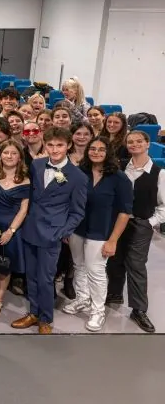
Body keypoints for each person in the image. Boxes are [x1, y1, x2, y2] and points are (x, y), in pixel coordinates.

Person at [12, 127, 88, 335]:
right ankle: (34, 313)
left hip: (52, 234)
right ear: (45, 145)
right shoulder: (36, 165)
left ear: (68, 146)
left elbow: (77, 212)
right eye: (51, 145)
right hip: (31, 229)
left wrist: (62, 231)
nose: (55, 149)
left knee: (46, 278)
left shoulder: (78, 177)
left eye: (60, 145)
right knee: (31, 276)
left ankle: (46, 318)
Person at [64, 136, 132, 332]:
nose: (96, 152)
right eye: (92, 148)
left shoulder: (119, 178)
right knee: (79, 266)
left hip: (101, 233)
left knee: (96, 271)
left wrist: (113, 240)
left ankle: (97, 310)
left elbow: (125, 212)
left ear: (108, 152)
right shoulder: (79, 172)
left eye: (101, 149)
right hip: (78, 229)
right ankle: (82, 299)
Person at [106, 130, 164, 333]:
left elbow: (163, 205)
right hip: (117, 221)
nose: (134, 144)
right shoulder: (120, 166)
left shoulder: (159, 173)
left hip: (141, 223)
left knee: (136, 265)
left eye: (139, 141)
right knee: (115, 259)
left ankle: (138, 309)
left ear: (148, 144)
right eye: (130, 142)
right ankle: (114, 293)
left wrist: (150, 223)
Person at [0, 140, 30, 321]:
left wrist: (11, 231)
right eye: (6, 153)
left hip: (12, 228)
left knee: (5, 266)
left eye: (13, 153)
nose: (9, 156)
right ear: (1, 155)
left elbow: (23, 209)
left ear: (19, 157)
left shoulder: (26, 180)